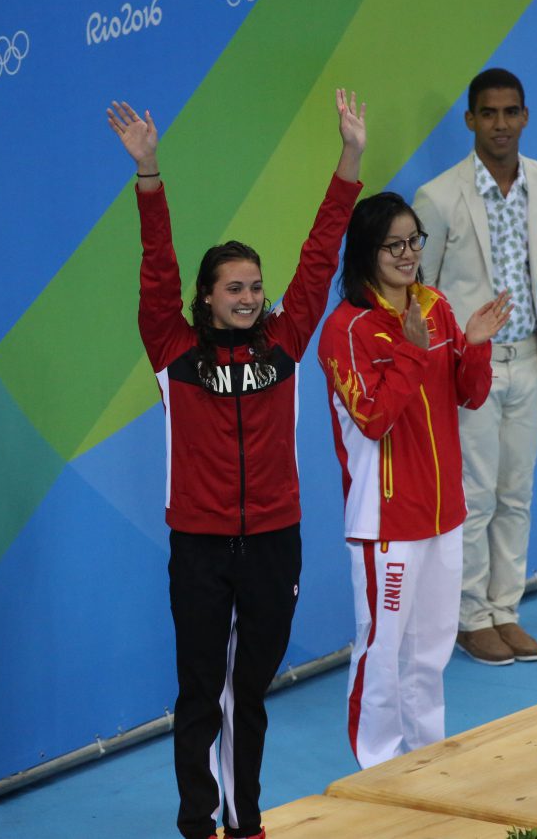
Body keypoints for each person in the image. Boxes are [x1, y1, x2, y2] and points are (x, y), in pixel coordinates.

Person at [107, 91, 365, 839]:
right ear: (208, 299)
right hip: (200, 546)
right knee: (199, 692)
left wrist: (349, 158)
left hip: (275, 540)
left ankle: (246, 816)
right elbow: (157, 270)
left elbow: (320, 255)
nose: (251, 297)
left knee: (248, 690)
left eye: (256, 286)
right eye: (235, 288)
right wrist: (149, 174)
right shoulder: (173, 351)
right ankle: (199, 822)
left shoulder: (283, 344)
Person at [317, 191, 511, 768]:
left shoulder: (435, 306)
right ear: (366, 253)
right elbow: (374, 418)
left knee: (429, 652)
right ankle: (377, 766)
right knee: (383, 650)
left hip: (443, 512)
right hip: (386, 520)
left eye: (413, 240)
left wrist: (474, 345)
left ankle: (428, 758)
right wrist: (410, 352)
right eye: (393, 244)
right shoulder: (346, 331)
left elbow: (470, 395)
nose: (407, 254)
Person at [413, 68, 537, 666]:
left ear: (525, 116)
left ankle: (506, 610)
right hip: (473, 368)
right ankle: (470, 617)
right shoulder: (439, 196)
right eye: (489, 113)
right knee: (473, 497)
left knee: (516, 493)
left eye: (511, 112)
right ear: (470, 119)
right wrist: (453, 359)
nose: (500, 124)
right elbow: (423, 289)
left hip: (528, 358)